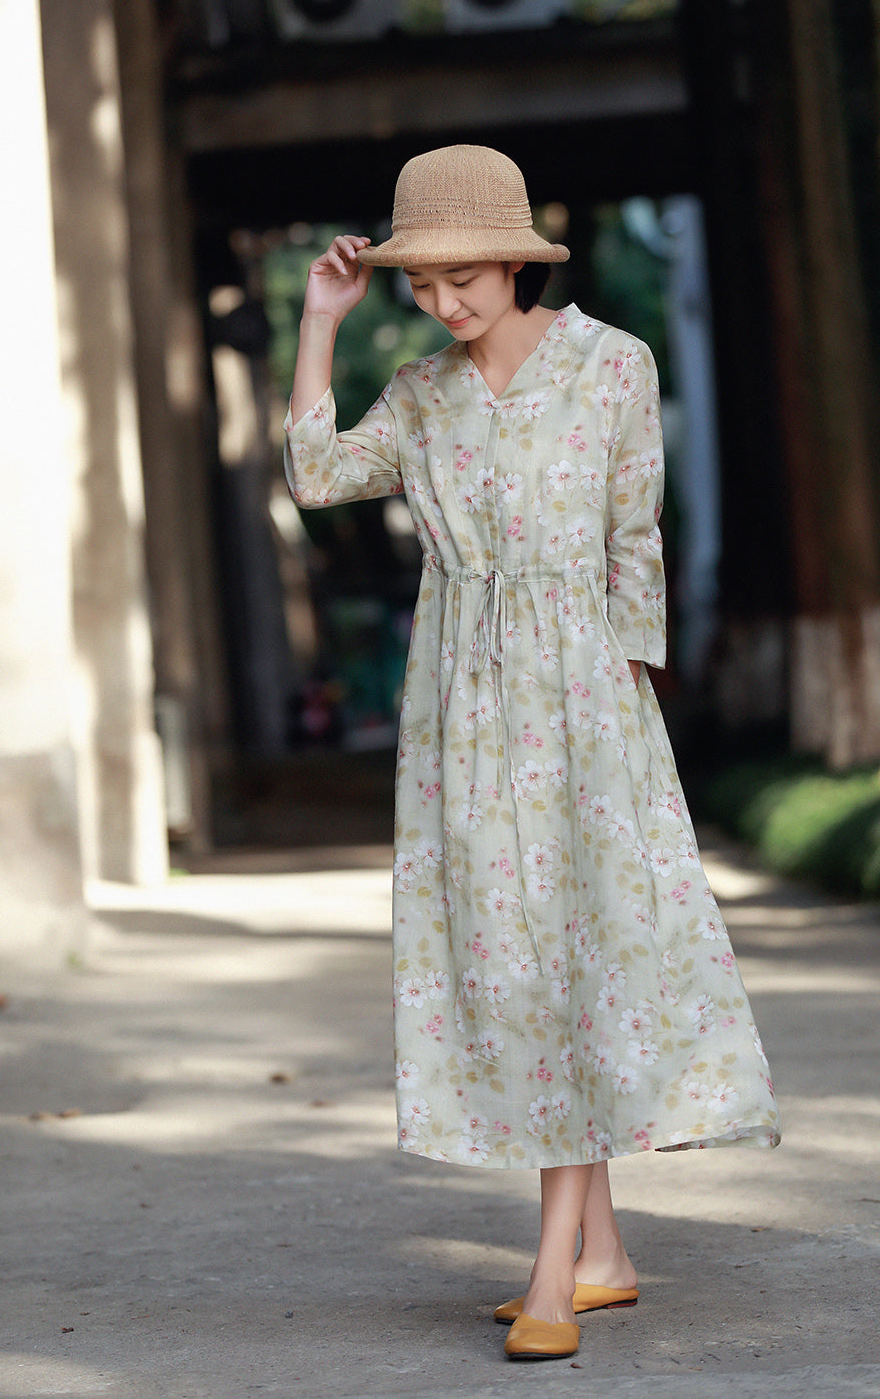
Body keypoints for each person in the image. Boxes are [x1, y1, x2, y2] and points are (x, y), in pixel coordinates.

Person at [285, 144, 780, 1361]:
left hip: (584, 699)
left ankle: (557, 1270)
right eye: (421, 284)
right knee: (515, 966)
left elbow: (634, 538)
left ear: (515, 258)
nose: (444, 303)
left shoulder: (613, 365)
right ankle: (603, 1251)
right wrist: (320, 321)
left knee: (576, 963)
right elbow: (318, 475)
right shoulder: (420, 392)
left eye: (461, 277)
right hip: (459, 707)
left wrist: (625, 702)